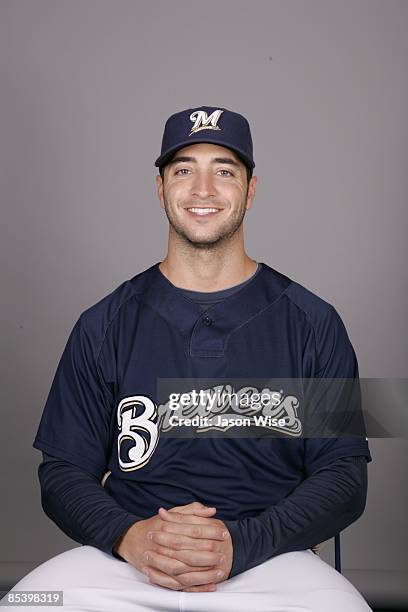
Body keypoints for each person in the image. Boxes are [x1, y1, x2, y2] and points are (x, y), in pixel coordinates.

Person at [5, 106, 373, 611]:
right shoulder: (104, 322)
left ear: (251, 188)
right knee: (26, 604)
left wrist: (241, 543)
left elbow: (345, 478)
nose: (203, 190)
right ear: (160, 189)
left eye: (224, 170)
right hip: (126, 560)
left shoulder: (314, 321)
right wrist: (130, 536)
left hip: (271, 560)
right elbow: (62, 471)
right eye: (184, 170)